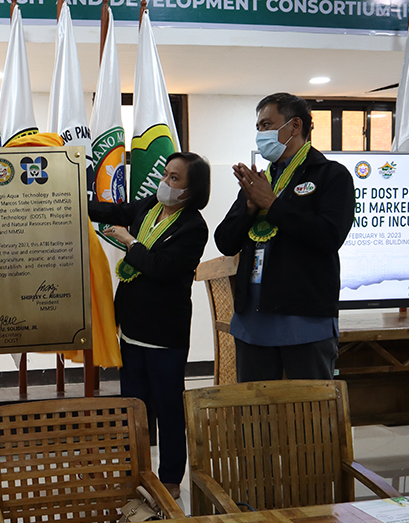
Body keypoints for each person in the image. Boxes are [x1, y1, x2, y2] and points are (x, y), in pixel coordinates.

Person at [88, 151, 211, 499]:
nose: (166, 183)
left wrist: (129, 242)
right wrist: (74, 202)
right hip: (131, 327)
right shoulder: (148, 208)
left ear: (191, 189)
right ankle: (136, 472)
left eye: (175, 179)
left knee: (168, 408)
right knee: (134, 408)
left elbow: (159, 267)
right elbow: (113, 211)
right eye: (166, 174)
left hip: (164, 334)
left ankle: (170, 477)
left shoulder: (193, 227)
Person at [215, 92, 355, 382]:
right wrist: (251, 207)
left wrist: (274, 205)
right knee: (255, 419)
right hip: (252, 321)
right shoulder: (261, 182)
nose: (260, 134)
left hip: (304, 320)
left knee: (310, 417)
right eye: (258, 127)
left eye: (267, 125)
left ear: (294, 126)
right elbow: (224, 241)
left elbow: (329, 237)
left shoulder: (331, 175)